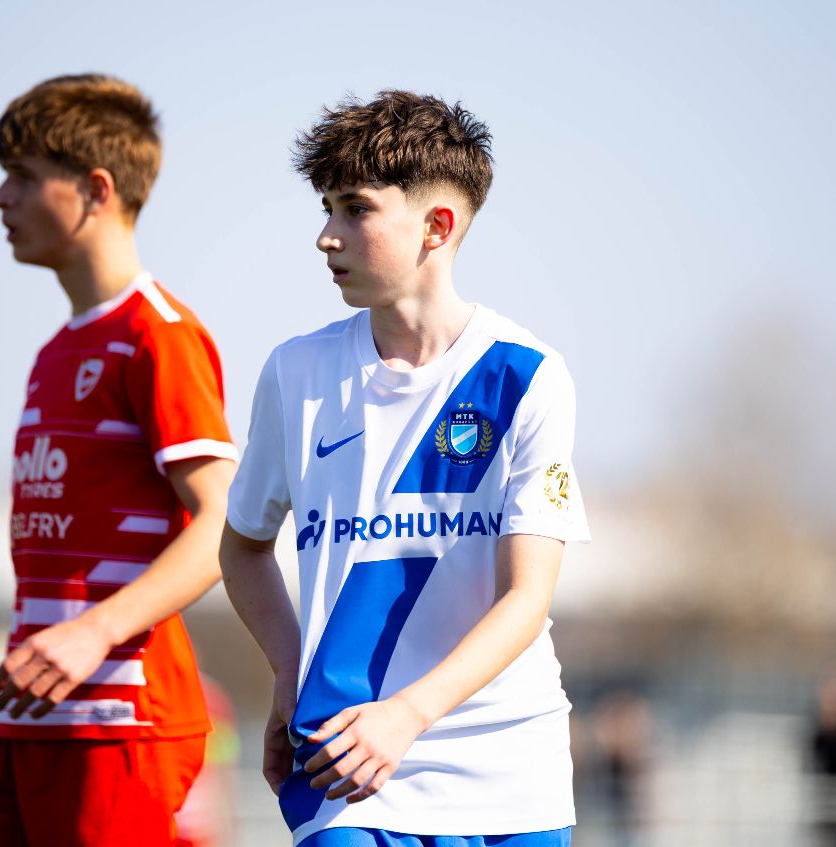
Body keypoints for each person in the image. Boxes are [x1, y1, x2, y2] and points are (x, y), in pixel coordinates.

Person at [220, 90, 592, 847]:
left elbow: (527, 597)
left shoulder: (526, 375)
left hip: (509, 774)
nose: (326, 236)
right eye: (326, 208)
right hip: (345, 767)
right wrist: (292, 672)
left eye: (355, 209)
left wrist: (410, 713)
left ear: (437, 226)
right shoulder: (295, 373)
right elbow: (243, 546)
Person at [0, 74, 237, 846]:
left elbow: (225, 523)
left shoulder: (158, 335)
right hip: (35, 716)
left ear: (96, 189)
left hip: (119, 719)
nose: (0, 198)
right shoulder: (55, 352)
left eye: (23, 176)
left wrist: (94, 632)